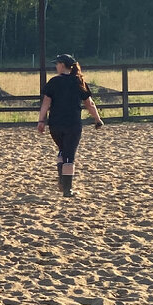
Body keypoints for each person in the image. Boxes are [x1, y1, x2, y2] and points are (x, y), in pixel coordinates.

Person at [36, 54, 103, 197]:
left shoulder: (53, 82)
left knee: (62, 150)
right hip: (72, 124)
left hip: (55, 124)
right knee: (69, 156)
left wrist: (41, 121)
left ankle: (62, 179)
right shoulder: (78, 82)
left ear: (62, 65)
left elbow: (46, 104)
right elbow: (89, 104)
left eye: (57, 64)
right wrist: (97, 119)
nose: (55, 66)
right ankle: (67, 189)